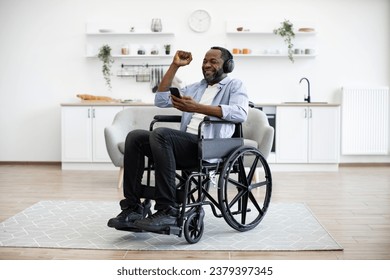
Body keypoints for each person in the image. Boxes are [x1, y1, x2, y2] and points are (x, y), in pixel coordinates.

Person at [107, 46, 249, 232]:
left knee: (162, 134)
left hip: (209, 146)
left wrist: (197, 108)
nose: (207, 65)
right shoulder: (198, 87)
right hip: (185, 145)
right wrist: (174, 66)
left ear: (228, 65)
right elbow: (161, 100)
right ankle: (133, 208)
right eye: (205, 61)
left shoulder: (235, 86)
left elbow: (240, 113)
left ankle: (168, 210)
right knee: (135, 137)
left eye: (213, 61)